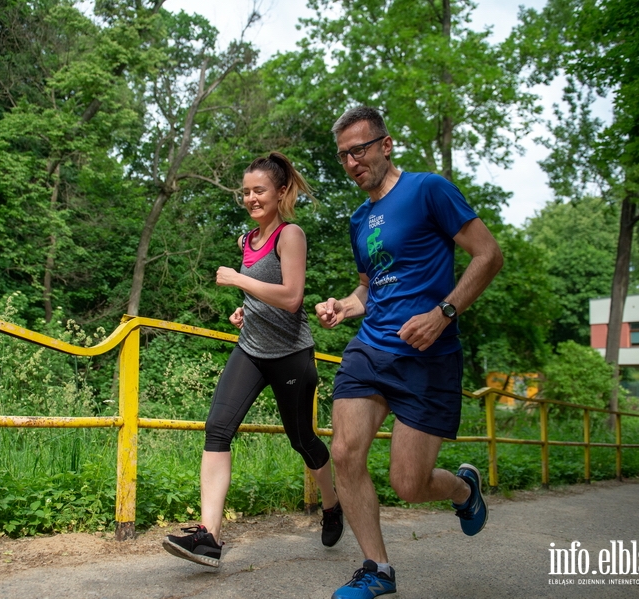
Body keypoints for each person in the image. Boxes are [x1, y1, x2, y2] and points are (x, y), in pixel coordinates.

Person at [315, 106, 503, 599]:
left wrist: (445, 312)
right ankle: (377, 569)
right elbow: (368, 289)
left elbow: (489, 255)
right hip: (372, 348)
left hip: (428, 356)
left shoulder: (428, 190)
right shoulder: (359, 219)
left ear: (385, 144)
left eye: (359, 150)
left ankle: (464, 490)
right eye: (343, 156)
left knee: (409, 483)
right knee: (344, 452)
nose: (352, 162)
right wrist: (343, 306)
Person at [162, 152, 342, 567]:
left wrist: (239, 280)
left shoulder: (289, 235)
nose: (250, 198)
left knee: (301, 439)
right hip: (251, 350)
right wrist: (246, 307)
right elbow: (265, 293)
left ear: (280, 192)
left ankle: (332, 506)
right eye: (245, 192)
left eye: (259, 190)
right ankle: (209, 537)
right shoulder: (247, 240)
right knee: (217, 429)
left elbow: (293, 297)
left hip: (291, 355)